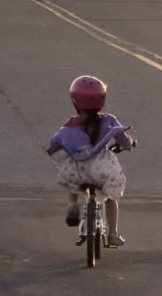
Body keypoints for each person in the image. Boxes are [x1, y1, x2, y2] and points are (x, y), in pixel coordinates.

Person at [46, 76, 135, 247]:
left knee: (71, 170)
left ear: (75, 101)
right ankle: (113, 233)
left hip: (78, 172)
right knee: (110, 196)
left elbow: (60, 144)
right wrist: (128, 144)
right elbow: (123, 140)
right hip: (101, 171)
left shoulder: (70, 125)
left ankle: (72, 204)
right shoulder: (109, 120)